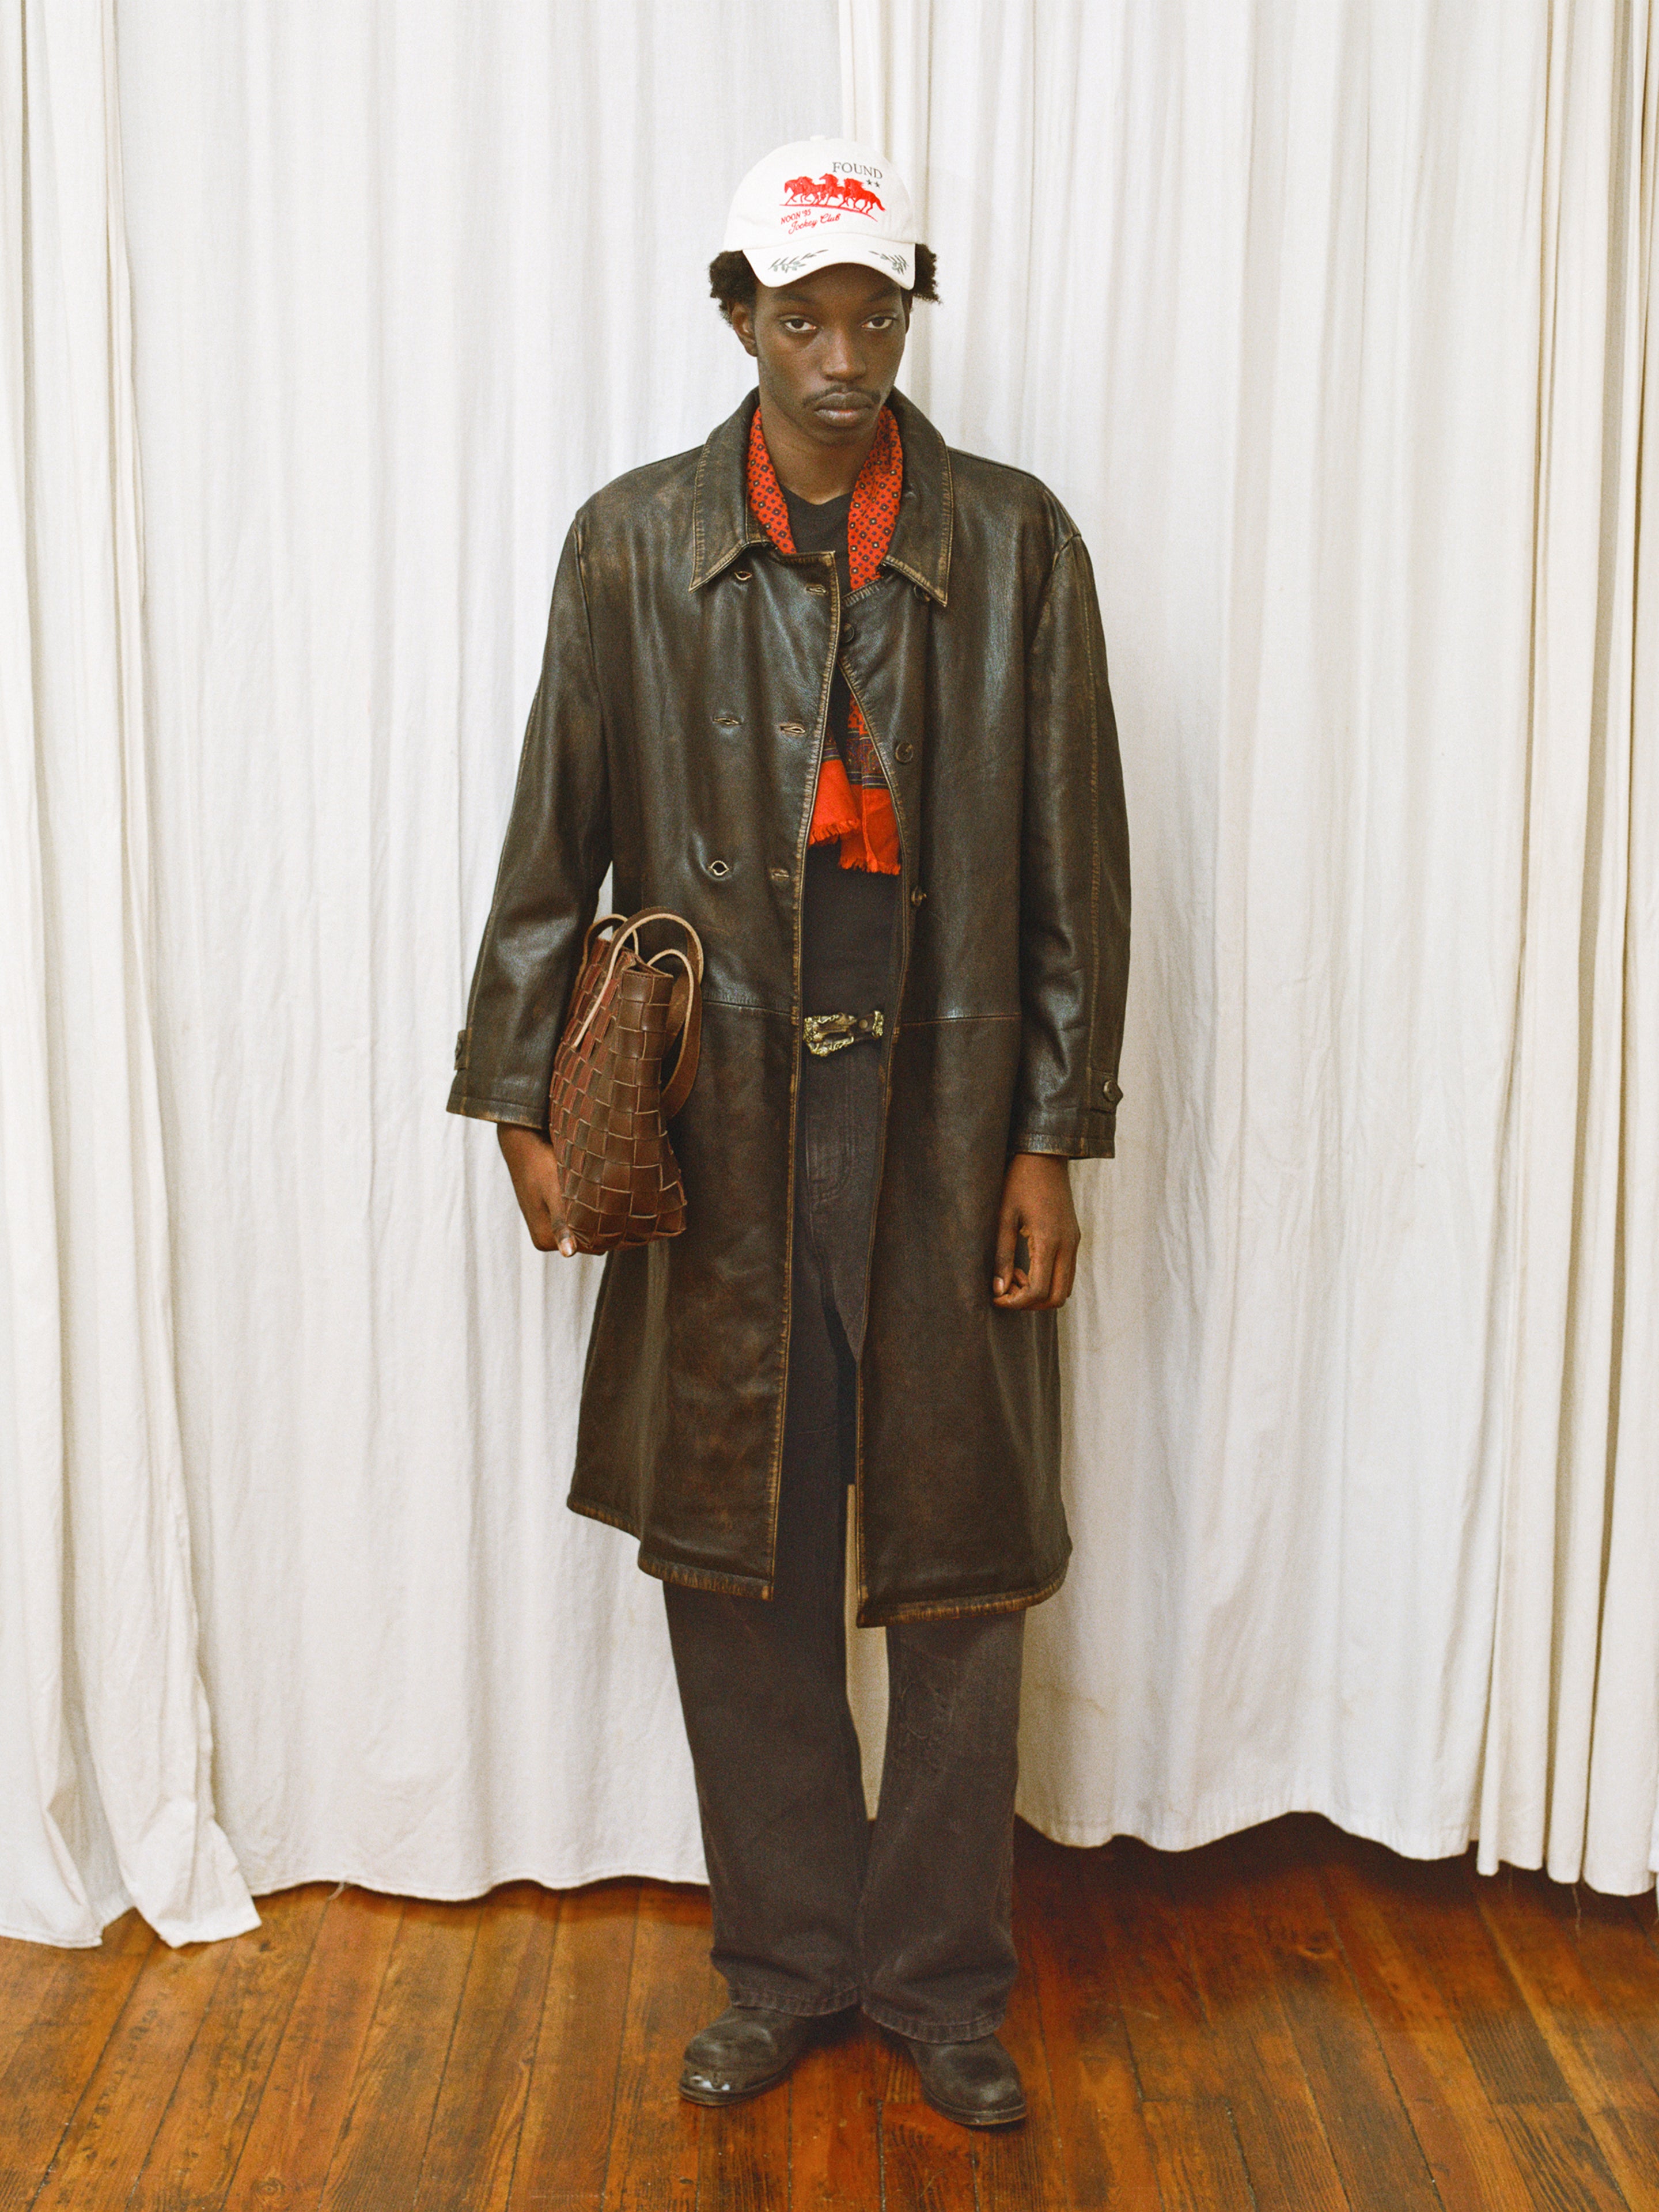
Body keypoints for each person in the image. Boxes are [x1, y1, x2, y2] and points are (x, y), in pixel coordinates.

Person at [448, 136, 1129, 2129]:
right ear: (738, 312)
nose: (843, 354)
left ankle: (935, 1981)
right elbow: (550, 840)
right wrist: (518, 1095)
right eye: (803, 313)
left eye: (875, 313)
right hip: (717, 1102)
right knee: (735, 1543)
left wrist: (1048, 1135)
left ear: (909, 317)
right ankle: (785, 1963)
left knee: (958, 1552)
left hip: (949, 1086)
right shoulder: (631, 547)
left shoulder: (1016, 547)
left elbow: (1073, 865)